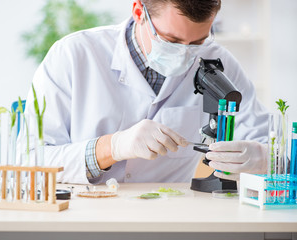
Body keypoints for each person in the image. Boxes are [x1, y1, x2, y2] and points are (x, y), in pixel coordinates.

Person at [24, 0, 268, 184]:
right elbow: (30, 163)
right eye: (171, 40)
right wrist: (113, 147)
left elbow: (268, 142)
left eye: (196, 43)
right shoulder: (72, 55)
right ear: (139, 11)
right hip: (88, 222)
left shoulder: (217, 61)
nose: (185, 54)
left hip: (169, 223)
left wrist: (262, 158)